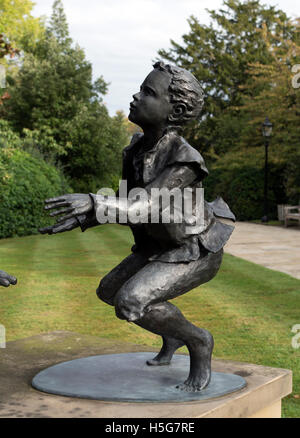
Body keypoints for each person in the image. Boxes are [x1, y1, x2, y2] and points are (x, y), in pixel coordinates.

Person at [40, 61, 235, 392]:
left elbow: (144, 204)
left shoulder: (184, 158)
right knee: (108, 291)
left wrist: (93, 200)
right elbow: (126, 203)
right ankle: (171, 339)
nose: (135, 96)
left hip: (193, 250)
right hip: (157, 248)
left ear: (175, 111)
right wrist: (84, 216)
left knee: (130, 302)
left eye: (148, 92)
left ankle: (199, 342)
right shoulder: (135, 149)